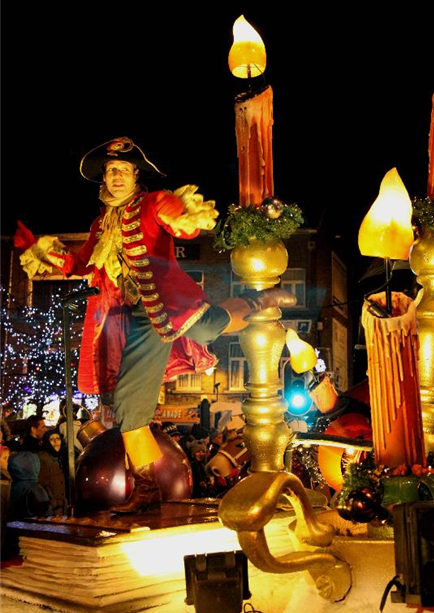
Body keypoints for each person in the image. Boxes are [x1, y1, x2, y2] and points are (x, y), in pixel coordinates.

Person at [15, 137, 295, 514]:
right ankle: (146, 487)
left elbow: (177, 220)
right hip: (133, 321)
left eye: (123, 170)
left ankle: (260, 299)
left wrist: (184, 216)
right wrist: (45, 253)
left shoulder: (152, 203)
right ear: (104, 179)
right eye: (110, 171)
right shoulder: (101, 223)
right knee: (129, 406)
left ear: (136, 176)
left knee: (207, 328)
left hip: (164, 304)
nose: (116, 176)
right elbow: (82, 265)